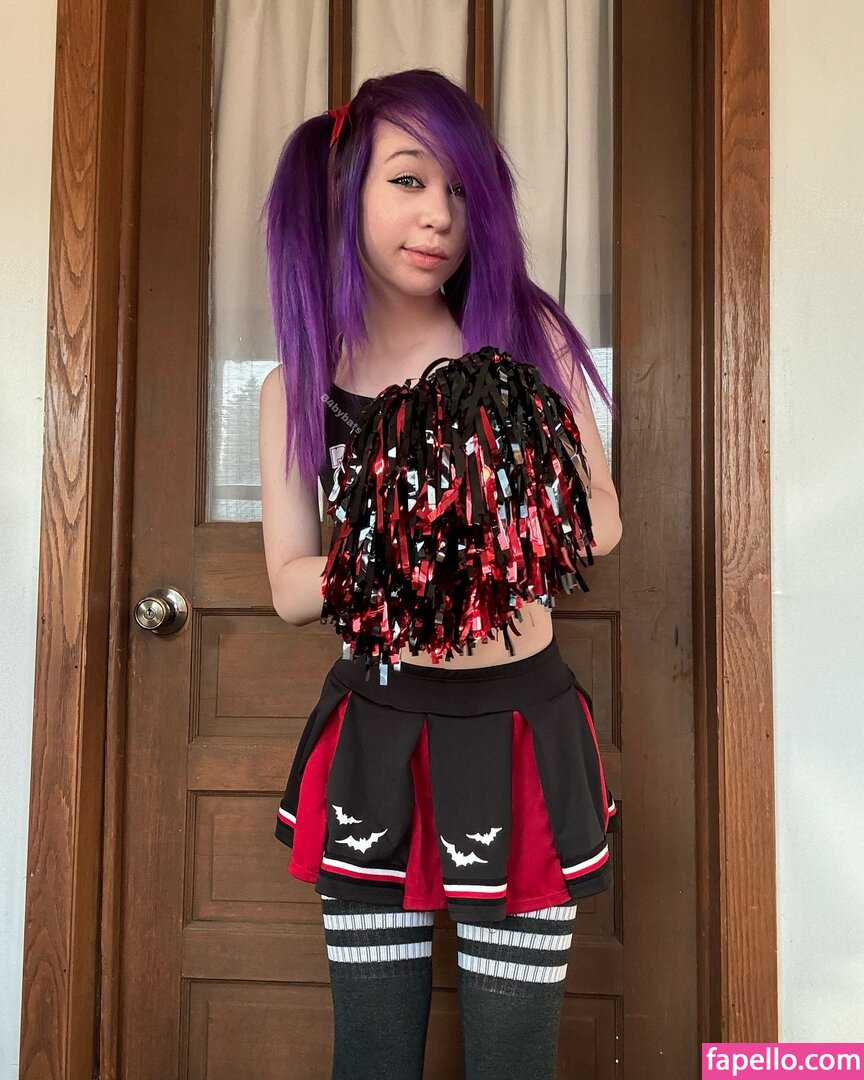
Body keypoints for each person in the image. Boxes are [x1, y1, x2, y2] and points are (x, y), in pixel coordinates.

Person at [258, 68, 622, 1080]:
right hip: (375, 734)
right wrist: (411, 530)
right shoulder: (301, 384)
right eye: (410, 181)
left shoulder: (528, 345)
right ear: (345, 193)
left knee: (515, 1060)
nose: (440, 216)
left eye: (461, 190)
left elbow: (602, 521)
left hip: (522, 731)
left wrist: (487, 500)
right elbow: (289, 585)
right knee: (372, 1056)